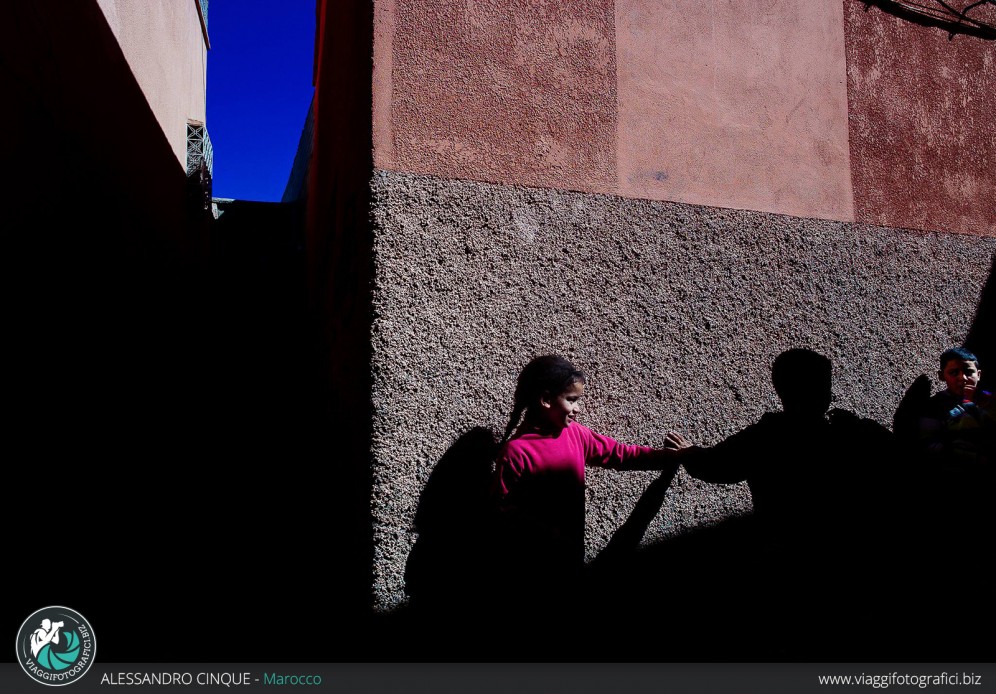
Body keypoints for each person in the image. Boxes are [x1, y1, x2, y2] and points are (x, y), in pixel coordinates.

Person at [491, 355, 691, 623]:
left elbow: (620, 454)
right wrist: (545, 533)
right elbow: (501, 511)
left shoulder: (577, 435)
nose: (577, 409)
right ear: (546, 400)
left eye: (578, 400)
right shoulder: (516, 452)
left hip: (570, 561)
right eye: (571, 400)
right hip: (531, 572)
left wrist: (665, 457)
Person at [918, 346, 994, 466]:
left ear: (978, 375)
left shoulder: (989, 399)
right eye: (953, 373)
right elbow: (929, 445)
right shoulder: (935, 406)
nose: (962, 378)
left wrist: (986, 403)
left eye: (969, 372)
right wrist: (975, 458)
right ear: (942, 376)